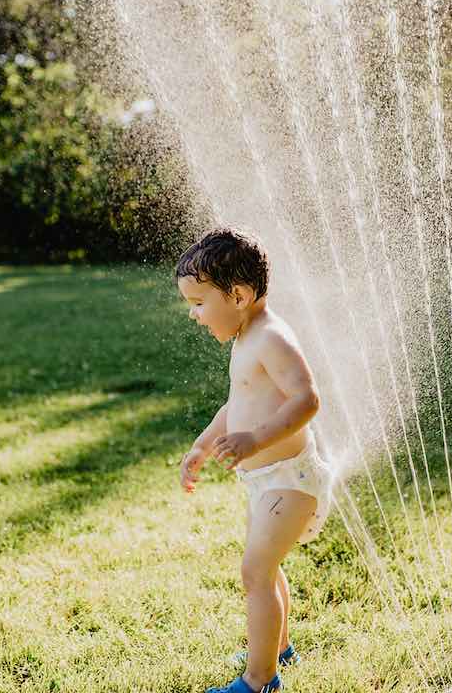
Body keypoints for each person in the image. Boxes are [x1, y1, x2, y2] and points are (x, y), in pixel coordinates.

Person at [176, 227, 333, 693]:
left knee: (256, 572)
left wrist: (255, 440)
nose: (194, 314)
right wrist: (203, 445)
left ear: (239, 295)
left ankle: (259, 680)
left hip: (291, 481)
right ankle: (277, 647)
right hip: (265, 480)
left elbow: (307, 400)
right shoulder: (247, 336)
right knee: (266, 568)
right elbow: (235, 406)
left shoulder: (271, 338)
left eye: (200, 302)